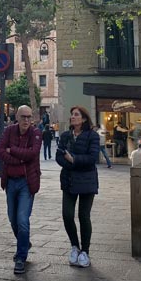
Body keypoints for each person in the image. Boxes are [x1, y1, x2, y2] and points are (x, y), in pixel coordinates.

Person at [0, 105, 42, 275]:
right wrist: (19, 159)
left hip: (26, 183)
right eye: (23, 117)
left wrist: (12, 151)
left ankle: (21, 256)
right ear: (17, 117)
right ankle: (24, 241)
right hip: (10, 182)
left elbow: (33, 153)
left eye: (29, 117)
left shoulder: (36, 133)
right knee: (12, 219)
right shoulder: (9, 131)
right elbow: (0, 151)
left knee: (22, 220)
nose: (27, 120)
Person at [56, 106, 100, 269]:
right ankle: (75, 246)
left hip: (87, 181)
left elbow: (92, 158)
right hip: (69, 180)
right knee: (67, 215)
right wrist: (70, 162)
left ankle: (85, 252)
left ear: (84, 119)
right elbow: (59, 156)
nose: (73, 117)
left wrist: (73, 160)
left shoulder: (92, 136)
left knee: (83, 216)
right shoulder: (66, 136)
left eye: (76, 115)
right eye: (72, 114)